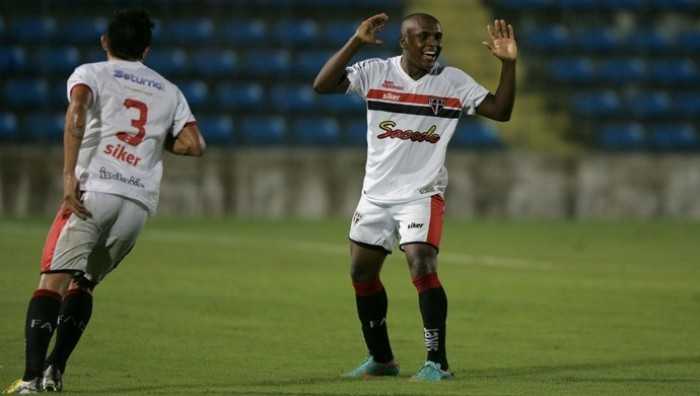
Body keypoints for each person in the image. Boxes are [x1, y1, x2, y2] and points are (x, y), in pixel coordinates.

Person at [4, 9, 205, 394]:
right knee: (85, 284)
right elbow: (195, 145)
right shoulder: (169, 90)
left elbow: (76, 113)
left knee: (52, 281)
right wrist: (153, 140)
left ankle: (30, 379)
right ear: (145, 50)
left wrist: (68, 178)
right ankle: (54, 372)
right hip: (137, 204)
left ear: (104, 41)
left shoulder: (89, 74)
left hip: (93, 193)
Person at [313, 12, 516, 381]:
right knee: (361, 272)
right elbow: (322, 84)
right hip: (375, 196)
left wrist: (508, 65)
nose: (433, 43)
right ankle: (382, 359)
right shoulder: (377, 72)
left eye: (437, 37)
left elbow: (501, 111)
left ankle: (436, 362)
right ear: (404, 41)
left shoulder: (452, 81)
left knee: (421, 262)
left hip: (421, 194)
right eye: (423, 37)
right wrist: (356, 41)